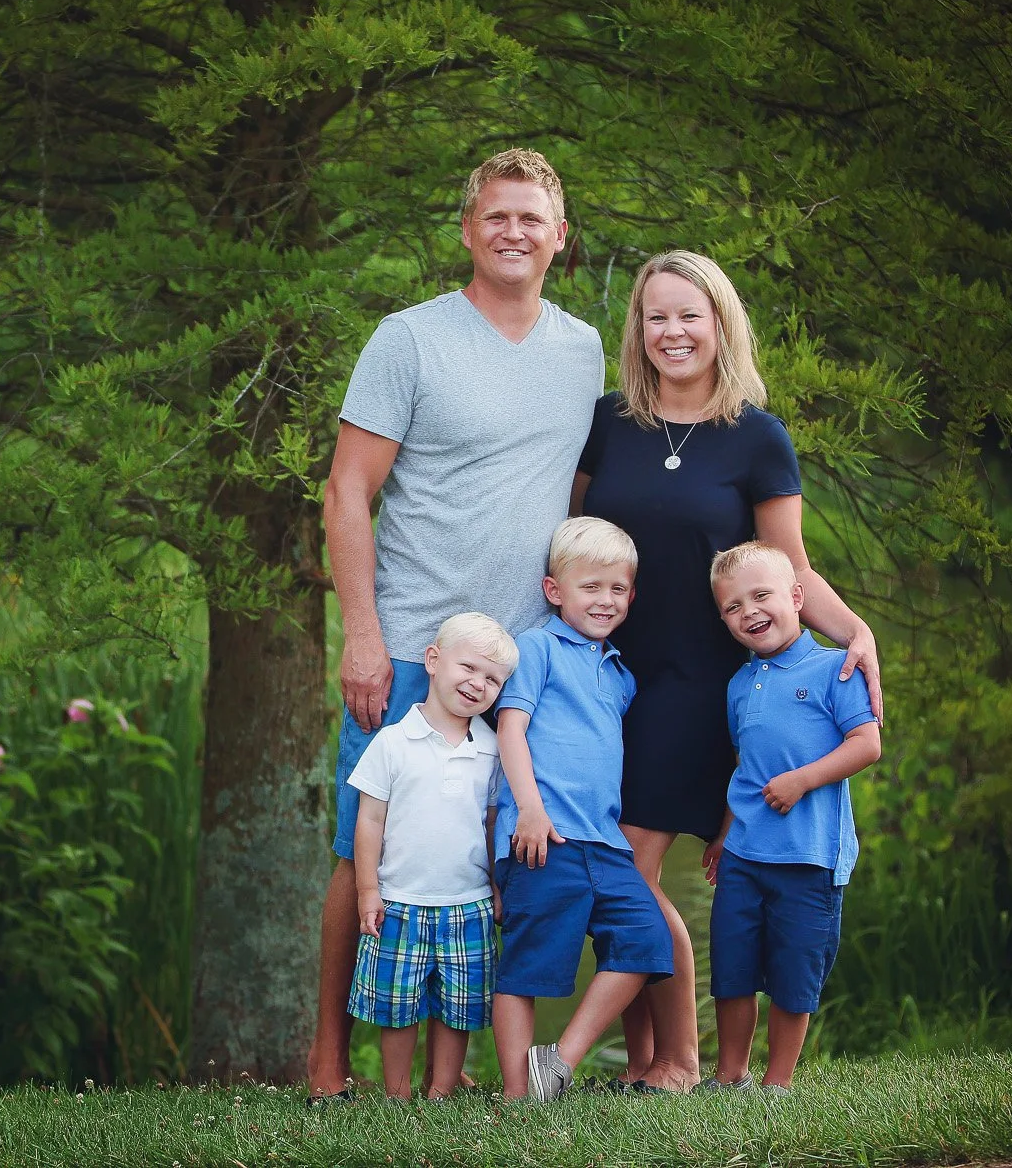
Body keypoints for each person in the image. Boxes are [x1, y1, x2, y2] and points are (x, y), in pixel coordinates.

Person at [311, 149, 603, 1101]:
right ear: (468, 230)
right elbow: (348, 490)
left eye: (533, 218)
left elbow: (581, 492)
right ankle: (328, 1060)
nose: (514, 232)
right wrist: (362, 633)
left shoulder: (585, 350)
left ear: (560, 236)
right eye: (496, 217)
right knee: (369, 850)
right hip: (408, 649)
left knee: (488, 856)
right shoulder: (409, 339)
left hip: (525, 661)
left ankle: (464, 1068)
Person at [572, 250, 883, 1092]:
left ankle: (679, 1058)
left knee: (624, 867)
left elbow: (793, 571)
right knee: (605, 866)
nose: (672, 331)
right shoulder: (609, 422)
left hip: (701, 685)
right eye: (655, 316)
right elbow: (576, 544)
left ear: (720, 323)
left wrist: (858, 631)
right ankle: (640, 1061)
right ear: (637, 329)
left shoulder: (756, 436)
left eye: (689, 315)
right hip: (607, 678)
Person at [490, 517, 674, 1101]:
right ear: (555, 591)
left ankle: (559, 1063)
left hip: (607, 841)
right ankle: (522, 1098)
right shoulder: (536, 648)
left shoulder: (619, 674)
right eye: (590, 587)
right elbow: (511, 732)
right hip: (544, 835)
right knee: (527, 964)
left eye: (617, 589)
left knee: (646, 941)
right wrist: (530, 810)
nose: (605, 600)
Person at [700, 542, 882, 1091]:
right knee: (731, 969)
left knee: (792, 973)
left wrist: (803, 780)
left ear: (797, 597)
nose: (749, 612)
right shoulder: (738, 685)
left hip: (809, 856)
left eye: (761, 596)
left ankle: (777, 1084)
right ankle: (732, 1076)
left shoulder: (836, 668)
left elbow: (866, 745)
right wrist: (724, 833)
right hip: (744, 856)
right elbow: (748, 770)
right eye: (733, 607)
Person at [345, 612, 516, 1100]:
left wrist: (497, 888)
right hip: (399, 900)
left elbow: (488, 826)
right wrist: (367, 890)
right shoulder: (393, 742)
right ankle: (397, 1092)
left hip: (469, 903)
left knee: (458, 1008)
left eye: (492, 679)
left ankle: (440, 1090)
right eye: (469, 668)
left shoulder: (490, 750)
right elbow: (369, 821)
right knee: (397, 1006)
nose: (478, 683)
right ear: (434, 661)